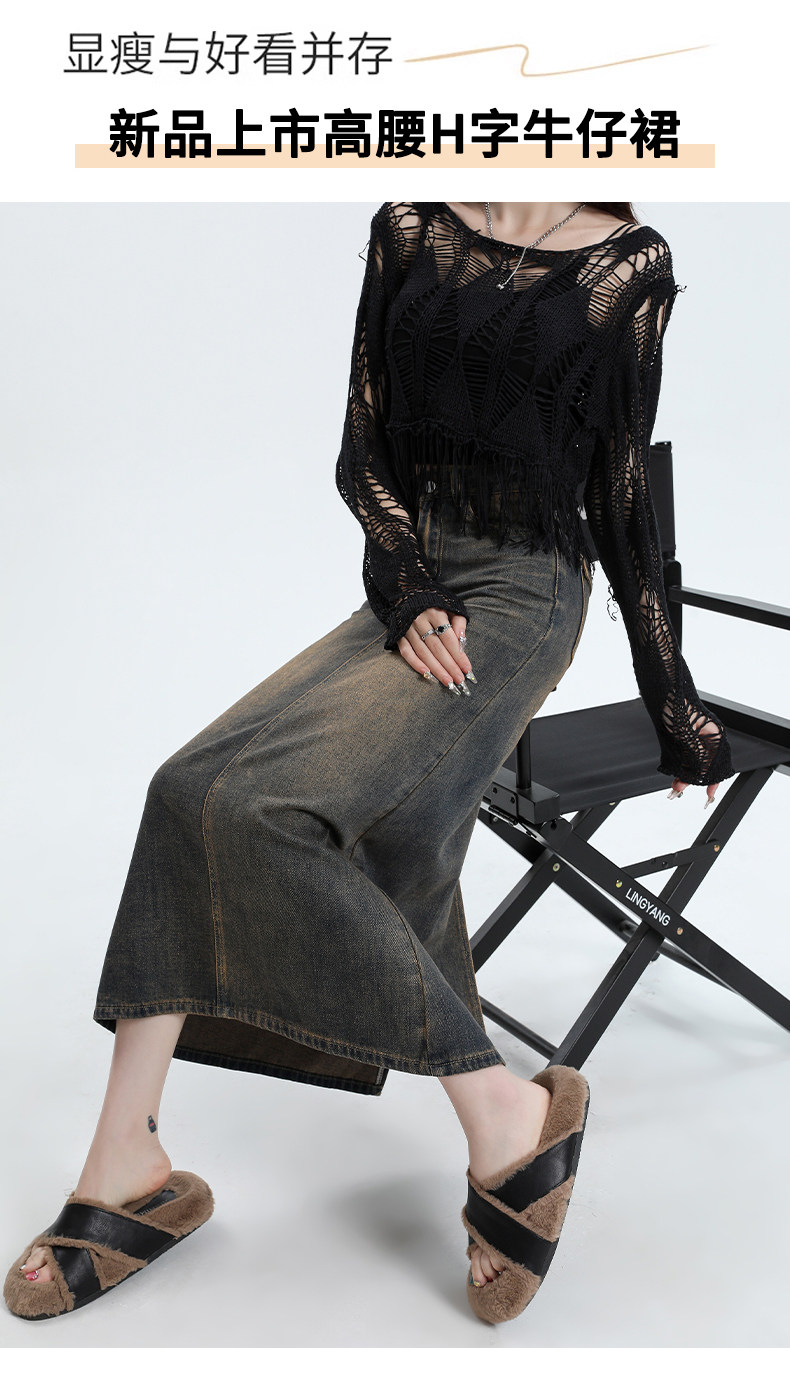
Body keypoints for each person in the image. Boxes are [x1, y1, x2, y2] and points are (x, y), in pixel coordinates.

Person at [4, 202, 733, 1327]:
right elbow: (364, 445)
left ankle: (501, 1113)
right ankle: (128, 1158)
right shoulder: (412, 231)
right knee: (191, 790)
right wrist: (406, 585)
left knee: (266, 812)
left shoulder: (624, 265)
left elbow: (621, 487)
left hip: (525, 597)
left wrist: (670, 696)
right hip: (413, 593)